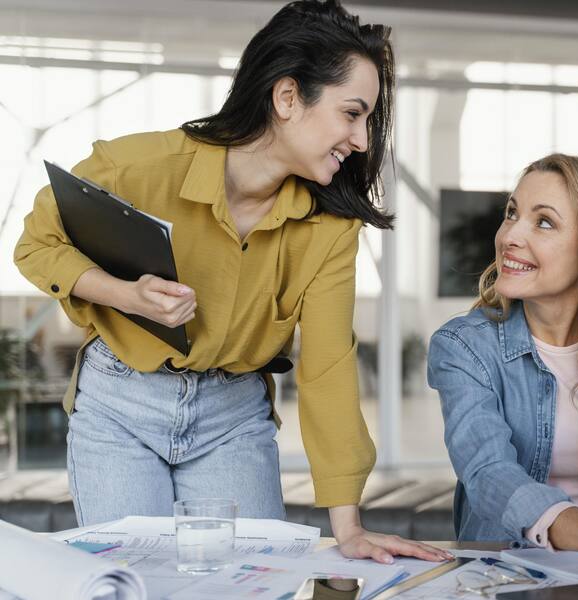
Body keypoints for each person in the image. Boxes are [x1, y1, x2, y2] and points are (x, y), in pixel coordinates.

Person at [15, 0, 450, 564]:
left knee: (251, 582)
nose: (362, 140)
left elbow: (327, 367)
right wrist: (124, 295)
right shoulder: (138, 167)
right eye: (352, 113)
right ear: (288, 97)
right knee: (131, 582)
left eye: (367, 120)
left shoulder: (330, 228)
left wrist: (349, 528)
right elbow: (36, 244)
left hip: (233, 420)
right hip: (120, 406)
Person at [427, 154, 578, 565]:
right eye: (512, 213)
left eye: (543, 222)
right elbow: (488, 472)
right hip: (508, 572)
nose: (509, 235)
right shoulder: (463, 347)